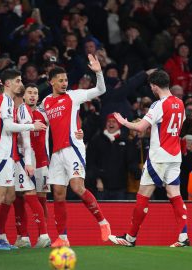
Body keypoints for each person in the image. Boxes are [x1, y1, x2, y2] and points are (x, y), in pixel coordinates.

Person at [110, 69, 190, 247]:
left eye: (151, 86)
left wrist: (124, 122)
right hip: (174, 156)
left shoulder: (158, 105)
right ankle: (183, 237)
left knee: (143, 196)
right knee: (174, 194)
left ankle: (130, 238)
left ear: (154, 86)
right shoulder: (180, 103)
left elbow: (141, 128)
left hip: (158, 156)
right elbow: (179, 126)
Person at [40, 54, 110, 248]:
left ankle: (103, 222)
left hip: (73, 148)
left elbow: (101, 90)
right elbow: (34, 118)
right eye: (60, 80)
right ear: (51, 81)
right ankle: (62, 237)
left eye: (66, 80)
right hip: (56, 153)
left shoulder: (74, 95)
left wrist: (99, 73)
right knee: (58, 194)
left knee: (77, 187)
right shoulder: (45, 102)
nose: (64, 83)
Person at [0, 69, 46, 250]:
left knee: (10, 195)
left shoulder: (4, 101)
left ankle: (0, 235)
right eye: (18, 81)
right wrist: (31, 125)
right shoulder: (5, 100)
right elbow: (9, 125)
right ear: (8, 84)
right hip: (1, 153)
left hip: (7, 154)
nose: (21, 84)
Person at [12, 86, 51, 248]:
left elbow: (62, 124)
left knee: (41, 200)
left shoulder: (44, 114)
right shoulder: (18, 112)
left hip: (41, 162)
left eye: (35, 93)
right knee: (19, 196)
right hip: (24, 160)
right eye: (30, 93)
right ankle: (24, 236)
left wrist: (78, 132)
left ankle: (43, 235)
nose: (33, 96)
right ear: (24, 95)